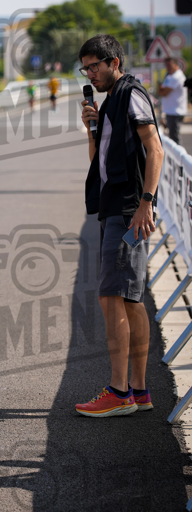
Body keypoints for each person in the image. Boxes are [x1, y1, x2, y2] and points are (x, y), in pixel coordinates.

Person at [77, 34, 164, 417]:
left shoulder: (132, 94)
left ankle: (119, 391)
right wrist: (91, 130)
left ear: (114, 62)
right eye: (86, 68)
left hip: (129, 210)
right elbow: (100, 162)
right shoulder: (112, 102)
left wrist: (146, 203)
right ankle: (140, 392)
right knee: (129, 298)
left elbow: (156, 148)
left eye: (95, 66)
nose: (90, 74)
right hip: (116, 207)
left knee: (111, 295)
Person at [157, 57, 187, 146]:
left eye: (169, 65)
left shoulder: (176, 77)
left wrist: (161, 90)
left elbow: (164, 93)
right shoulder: (170, 76)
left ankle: (179, 159)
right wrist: (161, 90)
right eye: (166, 65)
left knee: (175, 139)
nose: (168, 68)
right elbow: (161, 91)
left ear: (176, 64)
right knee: (172, 138)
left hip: (175, 112)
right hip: (171, 111)